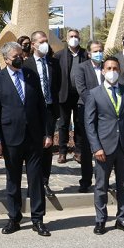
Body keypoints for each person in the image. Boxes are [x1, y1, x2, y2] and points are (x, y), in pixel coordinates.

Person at [0, 42, 53, 236]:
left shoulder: (31, 75)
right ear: (6, 59)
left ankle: (38, 219)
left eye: (21, 55)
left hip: (33, 137)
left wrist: (47, 133)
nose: (20, 58)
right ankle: (14, 218)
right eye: (16, 56)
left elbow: (42, 107)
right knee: (13, 180)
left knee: (36, 180)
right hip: (10, 138)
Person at [84, 57, 124, 235]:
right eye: (108, 68)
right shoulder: (94, 94)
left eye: (115, 68)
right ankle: (101, 220)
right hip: (103, 148)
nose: (112, 71)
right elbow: (89, 124)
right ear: (102, 71)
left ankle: (122, 219)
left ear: (120, 71)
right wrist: (96, 147)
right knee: (101, 186)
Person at [21, 31, 60, 197]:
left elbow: (57, 85)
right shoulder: (26, 64)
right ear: (33, 44)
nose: (45, 44)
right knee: (32, 149)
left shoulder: (54, 63)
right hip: (32, 111)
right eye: (42, 41)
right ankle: (33, 185)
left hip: (49, 110)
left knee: (47, 147)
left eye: (46, 41)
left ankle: (45, 181)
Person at [72, 40, 105, 192]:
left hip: (106, 112)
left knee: (104, 146)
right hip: (87, 110)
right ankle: (86, 180)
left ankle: (102, 180)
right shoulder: (81, 68)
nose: (99, 53)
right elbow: (82, 89)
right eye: (96, 51)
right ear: (89, 53)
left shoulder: (107, 67)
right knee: (86, 148)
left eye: (101, 50)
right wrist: (96, 103)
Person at [53, 29, 88, 164]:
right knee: (63, 124)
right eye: (71, 36)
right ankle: (62, 152)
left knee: (79, 123)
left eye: (76, 36)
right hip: (64, 95)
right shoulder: (59, 55)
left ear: (80, 38)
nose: (74, 38)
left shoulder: (86, 54)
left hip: (81, 95)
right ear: (66, 39)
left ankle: (78, 151)